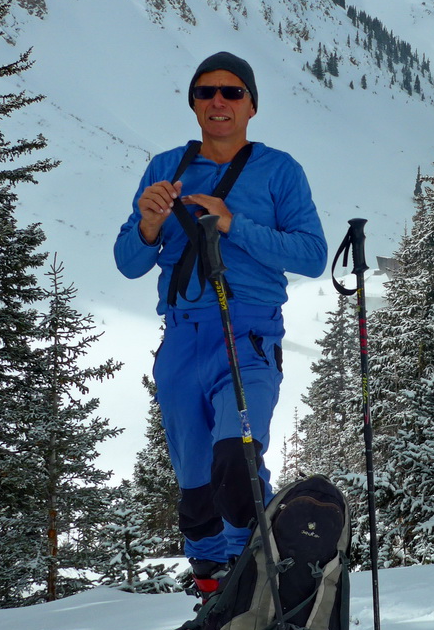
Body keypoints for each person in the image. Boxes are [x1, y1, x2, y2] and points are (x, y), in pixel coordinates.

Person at [114, 51, 327, 596]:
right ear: (193, 102)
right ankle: (212, 590)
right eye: (207, 91)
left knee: (237, 460)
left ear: (252, 105)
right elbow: (128, 262)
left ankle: (251, 576)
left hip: (249, 334)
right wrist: (147, 223)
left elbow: (310, 255)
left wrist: (233, 224)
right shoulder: (166, 168)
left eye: (233, 93)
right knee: (195, 487)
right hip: (182, 337)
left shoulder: (279, 170)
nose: (219, 102)